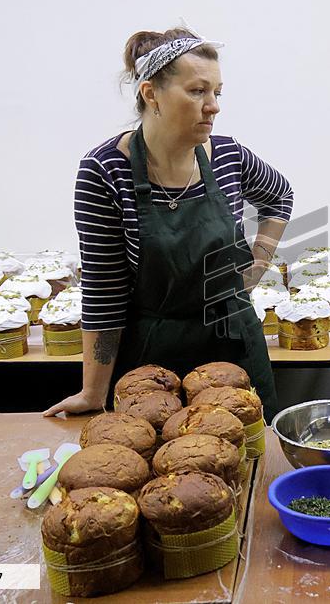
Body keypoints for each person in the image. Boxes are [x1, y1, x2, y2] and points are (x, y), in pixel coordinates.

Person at [44, 27, 292, 420]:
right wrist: (93, 391)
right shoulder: (106, 170)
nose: (213, 106)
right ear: (150, 94)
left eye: (217, 93)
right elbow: (104, 292)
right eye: (197, 91)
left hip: (234, 346)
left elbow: (279, 196)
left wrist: (259, 260)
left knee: (247, 459)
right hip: (152, 362)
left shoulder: (230, 156)